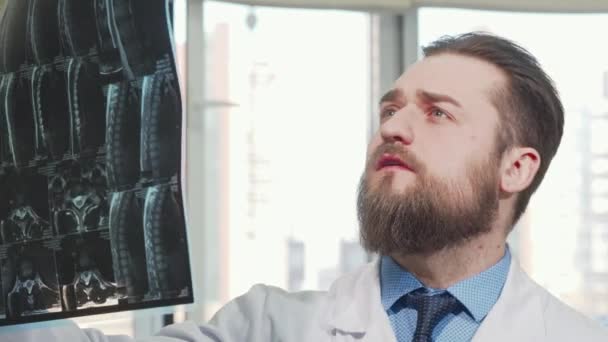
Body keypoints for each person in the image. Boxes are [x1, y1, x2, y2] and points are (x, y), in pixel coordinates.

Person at [2, 32, 608, 342]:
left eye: (438, 113)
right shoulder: (267, 326)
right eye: (389, 111)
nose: (393, 128)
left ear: (517, 168)